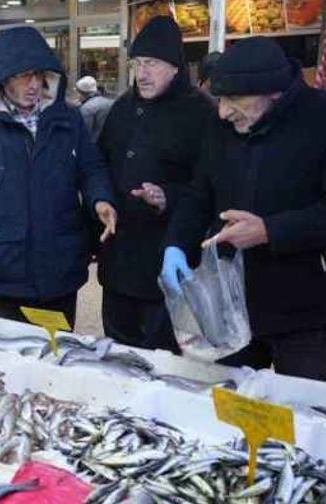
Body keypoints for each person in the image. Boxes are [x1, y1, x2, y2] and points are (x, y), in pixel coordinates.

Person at [161, 37, 326, 381]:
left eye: (234, 99)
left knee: (302, 417)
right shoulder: (221, 126)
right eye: (220, 98)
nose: (223, 111)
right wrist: (175, 245)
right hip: (233, 306)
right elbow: (198, 194)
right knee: (232, 409)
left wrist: (270, 230)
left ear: (274, 93)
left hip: (309, 314)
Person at [0, 27, 116, 326]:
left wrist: (100, 198)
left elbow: (91, 168)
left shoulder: (68, 119)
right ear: (3, 76)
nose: (35, 84)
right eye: (24, 75)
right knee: (1, 367)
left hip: (58, 274)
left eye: (39, 74)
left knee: (53, 362)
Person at [97, 16, 215, 352]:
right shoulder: (121, 107)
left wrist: (167, 197)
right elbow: (99, 164)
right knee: (118, 357)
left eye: (152, 63)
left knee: (163, 363)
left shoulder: (201, 113)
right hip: (118, 264)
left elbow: (209, 186)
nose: (142, 73)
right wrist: (101, 199)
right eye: (137, 63)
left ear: (176, 67)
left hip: (168, 268)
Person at [75, 75, 113, 143]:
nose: (77, 96)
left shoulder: (86, 109)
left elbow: (83, 135)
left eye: (77, 92)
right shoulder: (110, 102)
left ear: (82, 93)